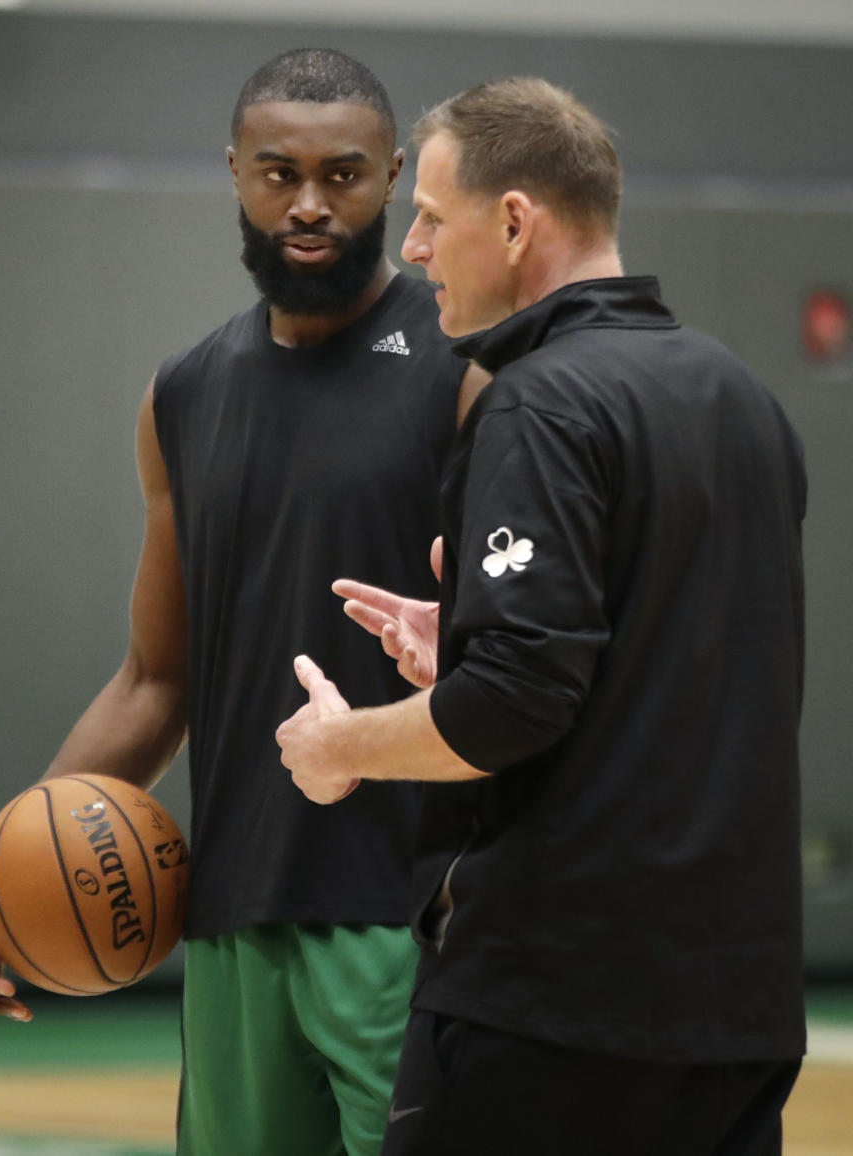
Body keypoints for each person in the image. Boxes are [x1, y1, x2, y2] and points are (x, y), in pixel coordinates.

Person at [0, 49, 487, 1156]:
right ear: (234, 171)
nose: (311, 204)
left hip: (412, 913)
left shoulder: (466, 366)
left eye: (345, 173)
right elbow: (155, 678)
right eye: (278, 173)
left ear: (394, 178)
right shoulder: (184, 393)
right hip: (234, 919)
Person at [276, 76, 807, 1155]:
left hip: (550, 1013)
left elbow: (515, 703)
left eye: (429, 213)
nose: (413, 249)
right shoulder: (744, 399)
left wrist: (345, 748)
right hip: (737, 1015)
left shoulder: (538, 399)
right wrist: (465, 635)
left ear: (514, 222)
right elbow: (657, 662)